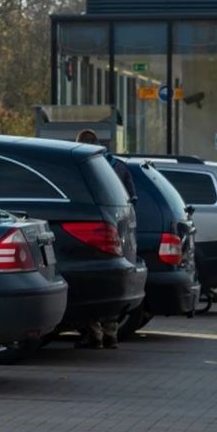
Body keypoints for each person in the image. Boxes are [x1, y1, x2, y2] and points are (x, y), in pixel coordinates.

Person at [74, 128, 136, 349]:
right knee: (113, 286)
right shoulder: (118, 166)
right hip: (122, 234)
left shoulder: (83, 168)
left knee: (93, 286)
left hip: (96, 232)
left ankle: (95, 334)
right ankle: (111, 333)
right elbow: (132, 199)